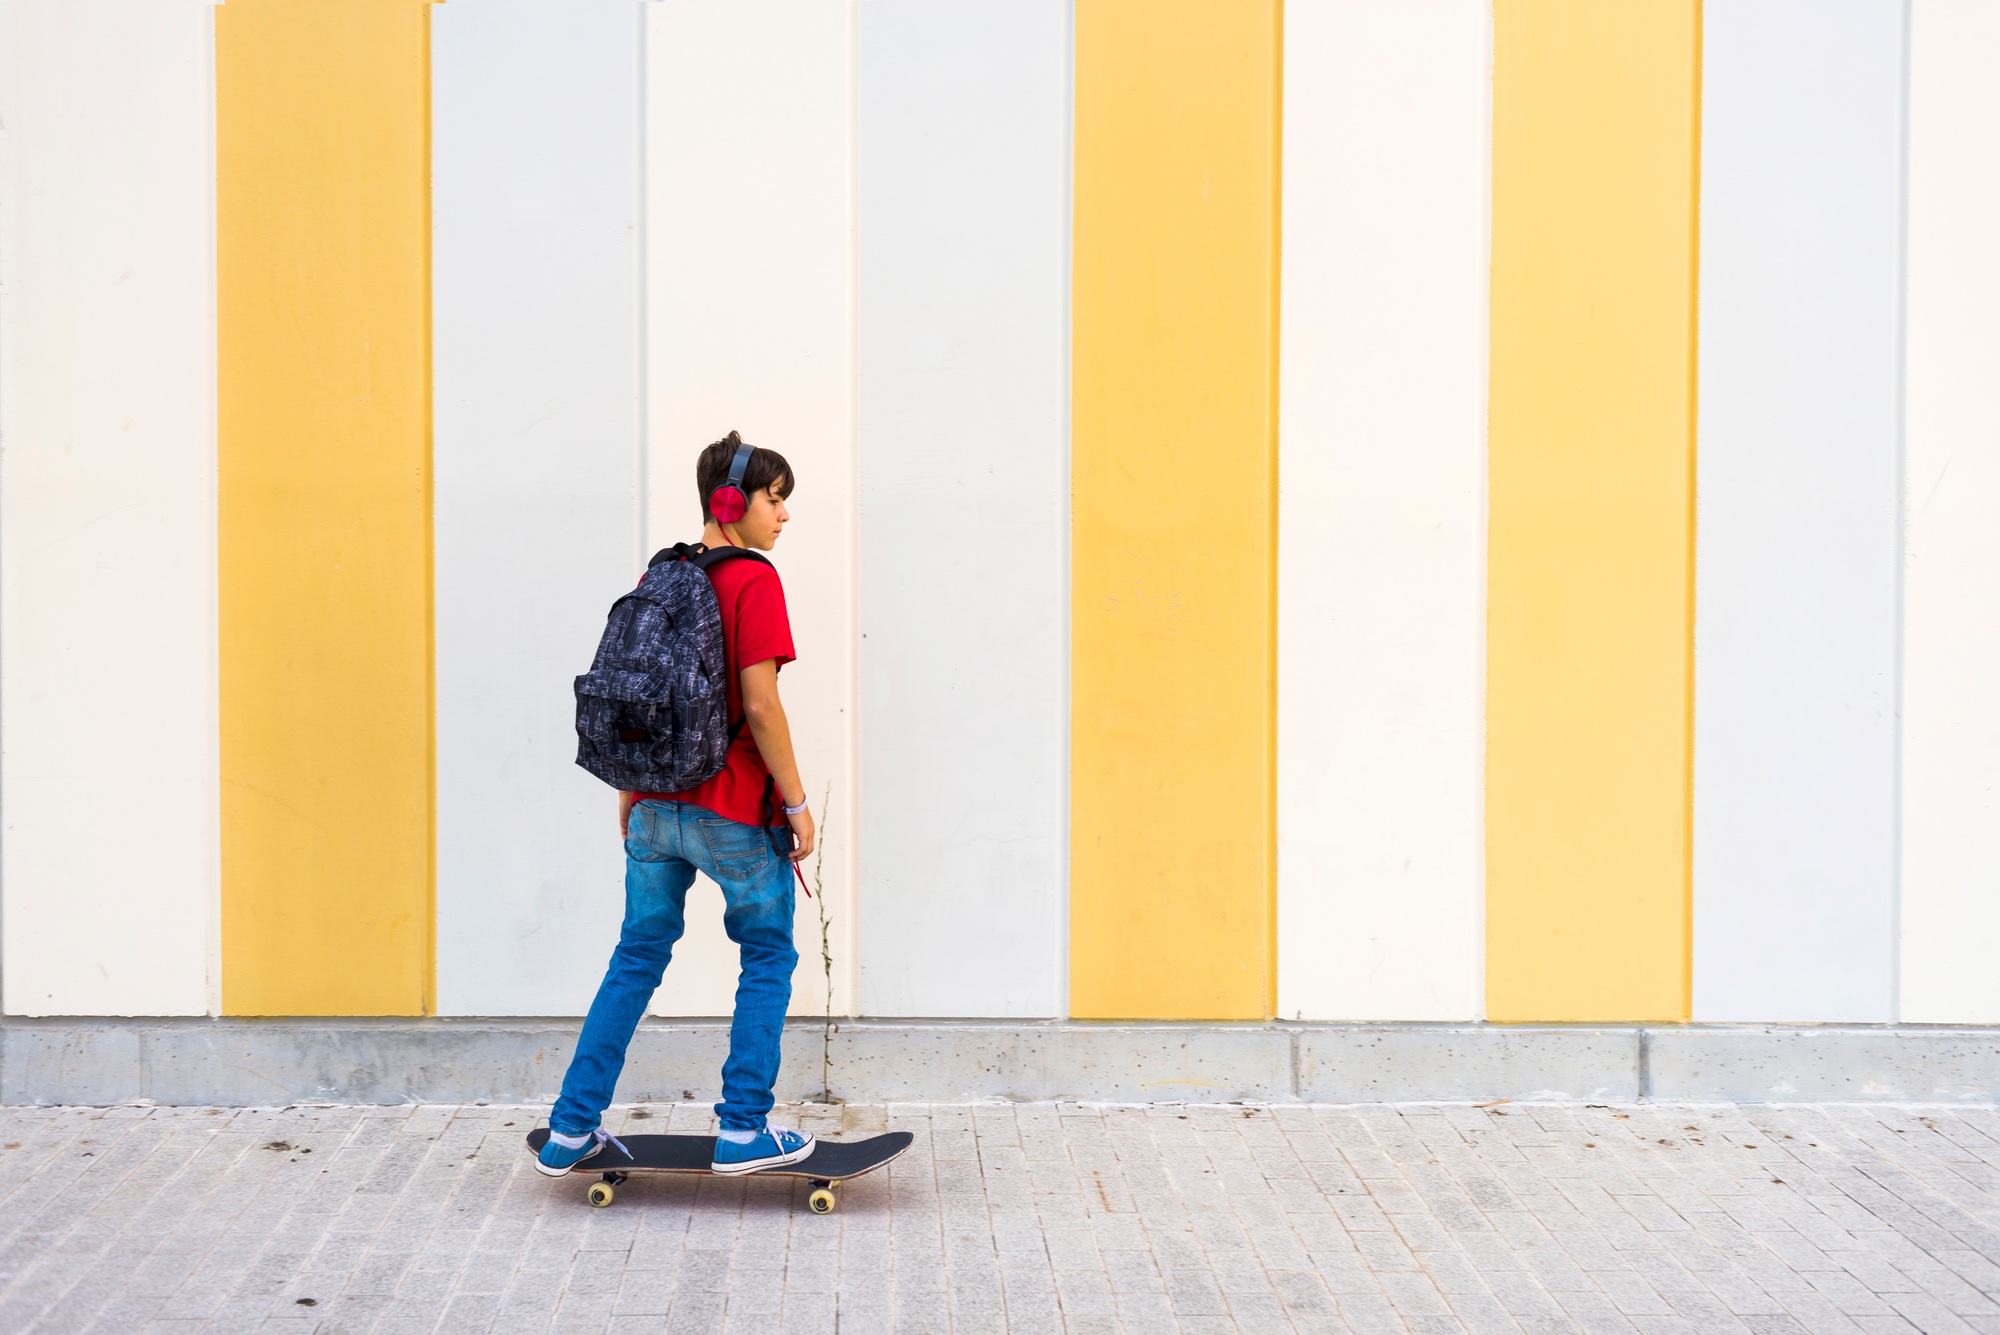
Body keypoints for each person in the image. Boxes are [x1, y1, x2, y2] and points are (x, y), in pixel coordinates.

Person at [536, 431, 818, 1177]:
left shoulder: (661, 575)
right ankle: (745, 1128)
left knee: (636, 955)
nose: (784, 515)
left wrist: (633, 790)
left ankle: (569, 1128)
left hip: (656, 811)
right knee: (766, 955)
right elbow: (760, 705)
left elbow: (640, 694)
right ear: (732, 503)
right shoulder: (753, 581)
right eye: (774, 498)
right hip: (732, 812)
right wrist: (794, 803)